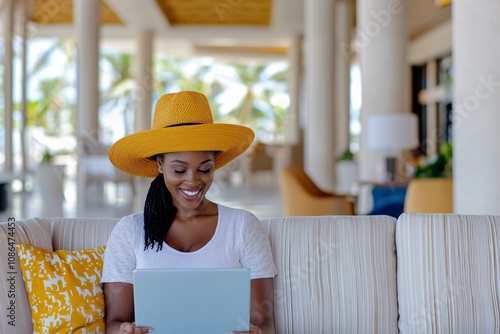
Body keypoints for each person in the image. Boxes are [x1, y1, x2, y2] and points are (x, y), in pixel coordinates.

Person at [101, 91, 277, 334]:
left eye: (204, 169)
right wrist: (125, 331)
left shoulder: (243, 226)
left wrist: (256, 332)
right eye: (179, 170)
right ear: (160, 165)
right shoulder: (129, 231)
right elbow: (113, 323)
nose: (193, 181)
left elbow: (265, 324)